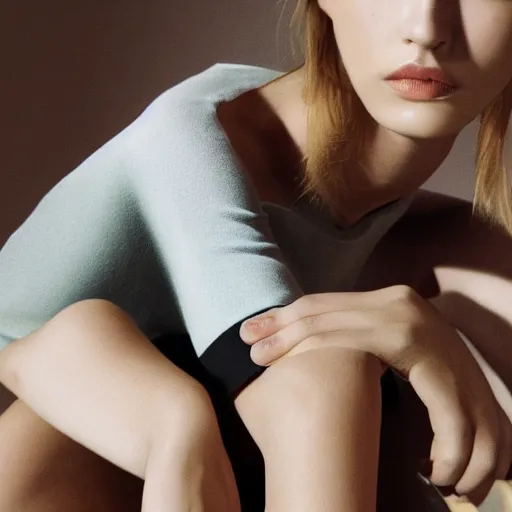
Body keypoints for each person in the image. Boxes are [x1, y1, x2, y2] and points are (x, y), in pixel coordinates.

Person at [0, 0, 511, 510]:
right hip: (41, 450)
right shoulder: (190, 144)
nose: (427, 29)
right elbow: (304, 382)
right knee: (331, 370)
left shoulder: (440, 239)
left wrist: (423, 344)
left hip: (208, 452)